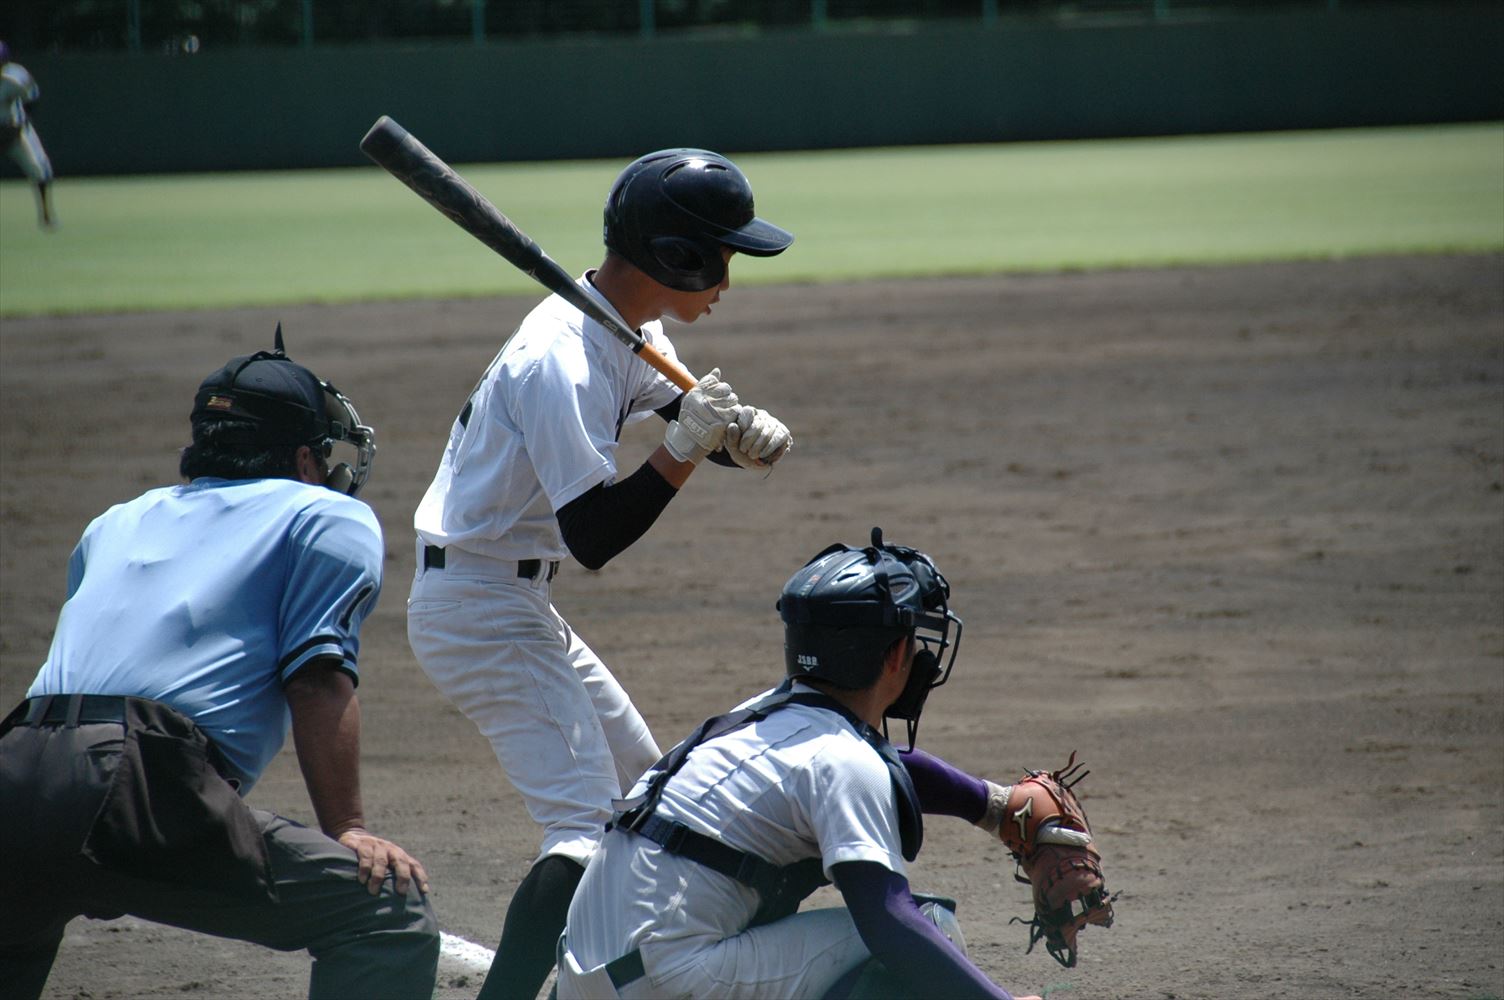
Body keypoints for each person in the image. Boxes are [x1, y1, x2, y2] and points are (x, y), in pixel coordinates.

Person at [407, 147, 795, 998]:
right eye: (721, 257)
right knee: (585, 830)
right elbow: (592, 536)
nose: (728, 280)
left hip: (510, 598)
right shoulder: (562, 359)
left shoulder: (628, 329)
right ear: (675, 256)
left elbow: (686, 415)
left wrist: (734, 438)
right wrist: (687, 446)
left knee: (648, 800)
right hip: (476, 605)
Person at [0, 328, 439, 1000]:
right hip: (135, 778)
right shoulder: (323, 514)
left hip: (15, 765)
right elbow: (316, 678)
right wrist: (347, 828)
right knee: (386, 915)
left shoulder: (115, 521)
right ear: (303, 458)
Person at [557, 528, 1056, 1000]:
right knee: (931, 930)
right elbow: (890, 921)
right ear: (895, 655)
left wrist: (991, 806)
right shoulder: (844, 761)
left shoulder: (756, 721)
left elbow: (879, 769)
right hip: (664, 978)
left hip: (583, 979)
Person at [0, 40, 57, 229]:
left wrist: (24, 120)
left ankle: (46, 214)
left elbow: (32, 98)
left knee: (38, 168)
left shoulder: (15, 77)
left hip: (15, 131)